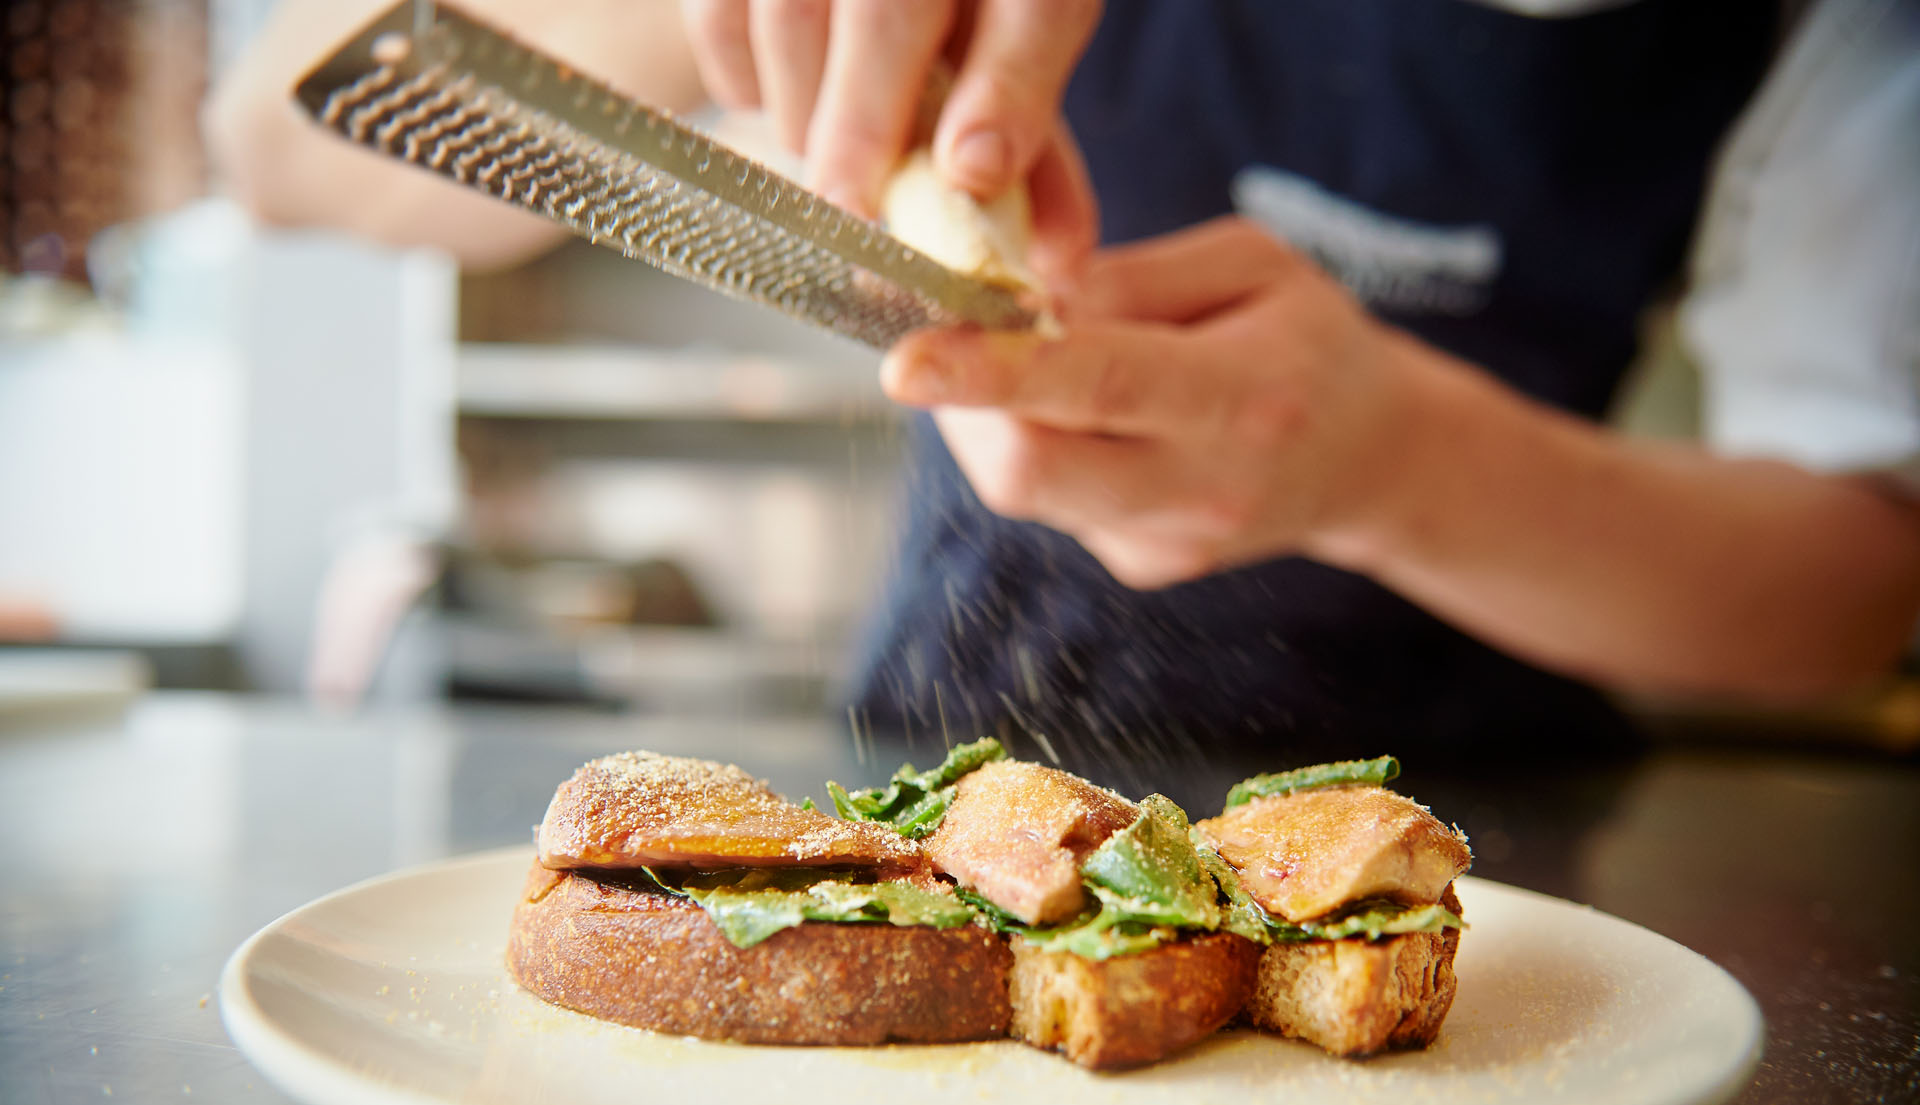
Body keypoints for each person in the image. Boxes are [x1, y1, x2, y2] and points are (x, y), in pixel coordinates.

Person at [208, 0, 1920, 771]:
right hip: (951, 767)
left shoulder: (1826, 34)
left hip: (1497, 834)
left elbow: (1859, 582)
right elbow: (275, 135)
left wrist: (1399, 470)